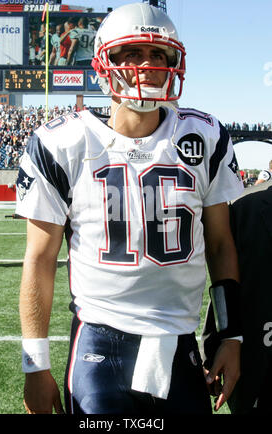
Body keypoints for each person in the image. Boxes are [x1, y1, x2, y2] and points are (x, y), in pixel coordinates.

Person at [16, 3, 244, 415]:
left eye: (159, 54)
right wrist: (35, 364)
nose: (147, 65)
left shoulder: (204, 136)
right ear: (106, 63)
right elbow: (39, 258)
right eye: (133, 53)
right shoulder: (62, 141)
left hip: (179, 340)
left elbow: (221, 244)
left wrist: (231, 336)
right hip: (100, 340)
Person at [201, 180, 272, 414]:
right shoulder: (245, 213)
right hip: (258, 363)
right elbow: (226, 280)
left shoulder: (247, 211)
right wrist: (215, 346)